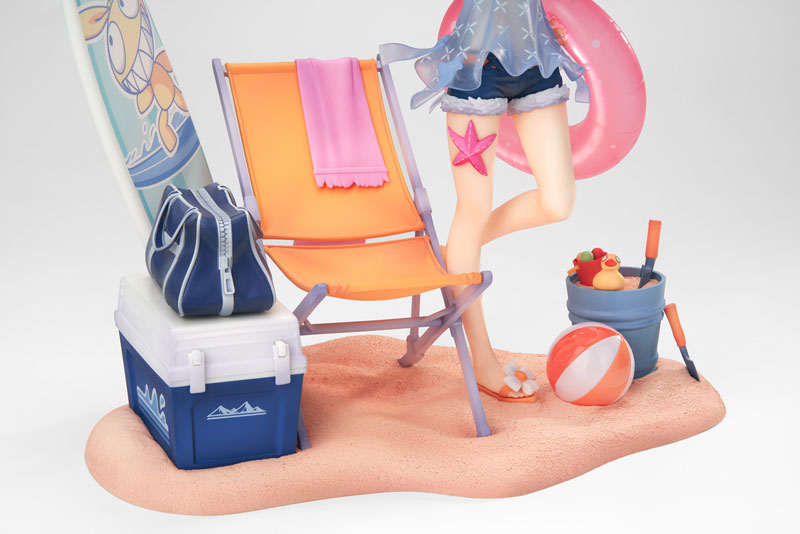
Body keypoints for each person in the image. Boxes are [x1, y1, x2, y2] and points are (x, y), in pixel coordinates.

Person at [380, 0, 586, 401]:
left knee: (557, 202)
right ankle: (482, 361)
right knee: (472, 210)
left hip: (536, 59)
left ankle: (457, 251)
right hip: (477, 67)